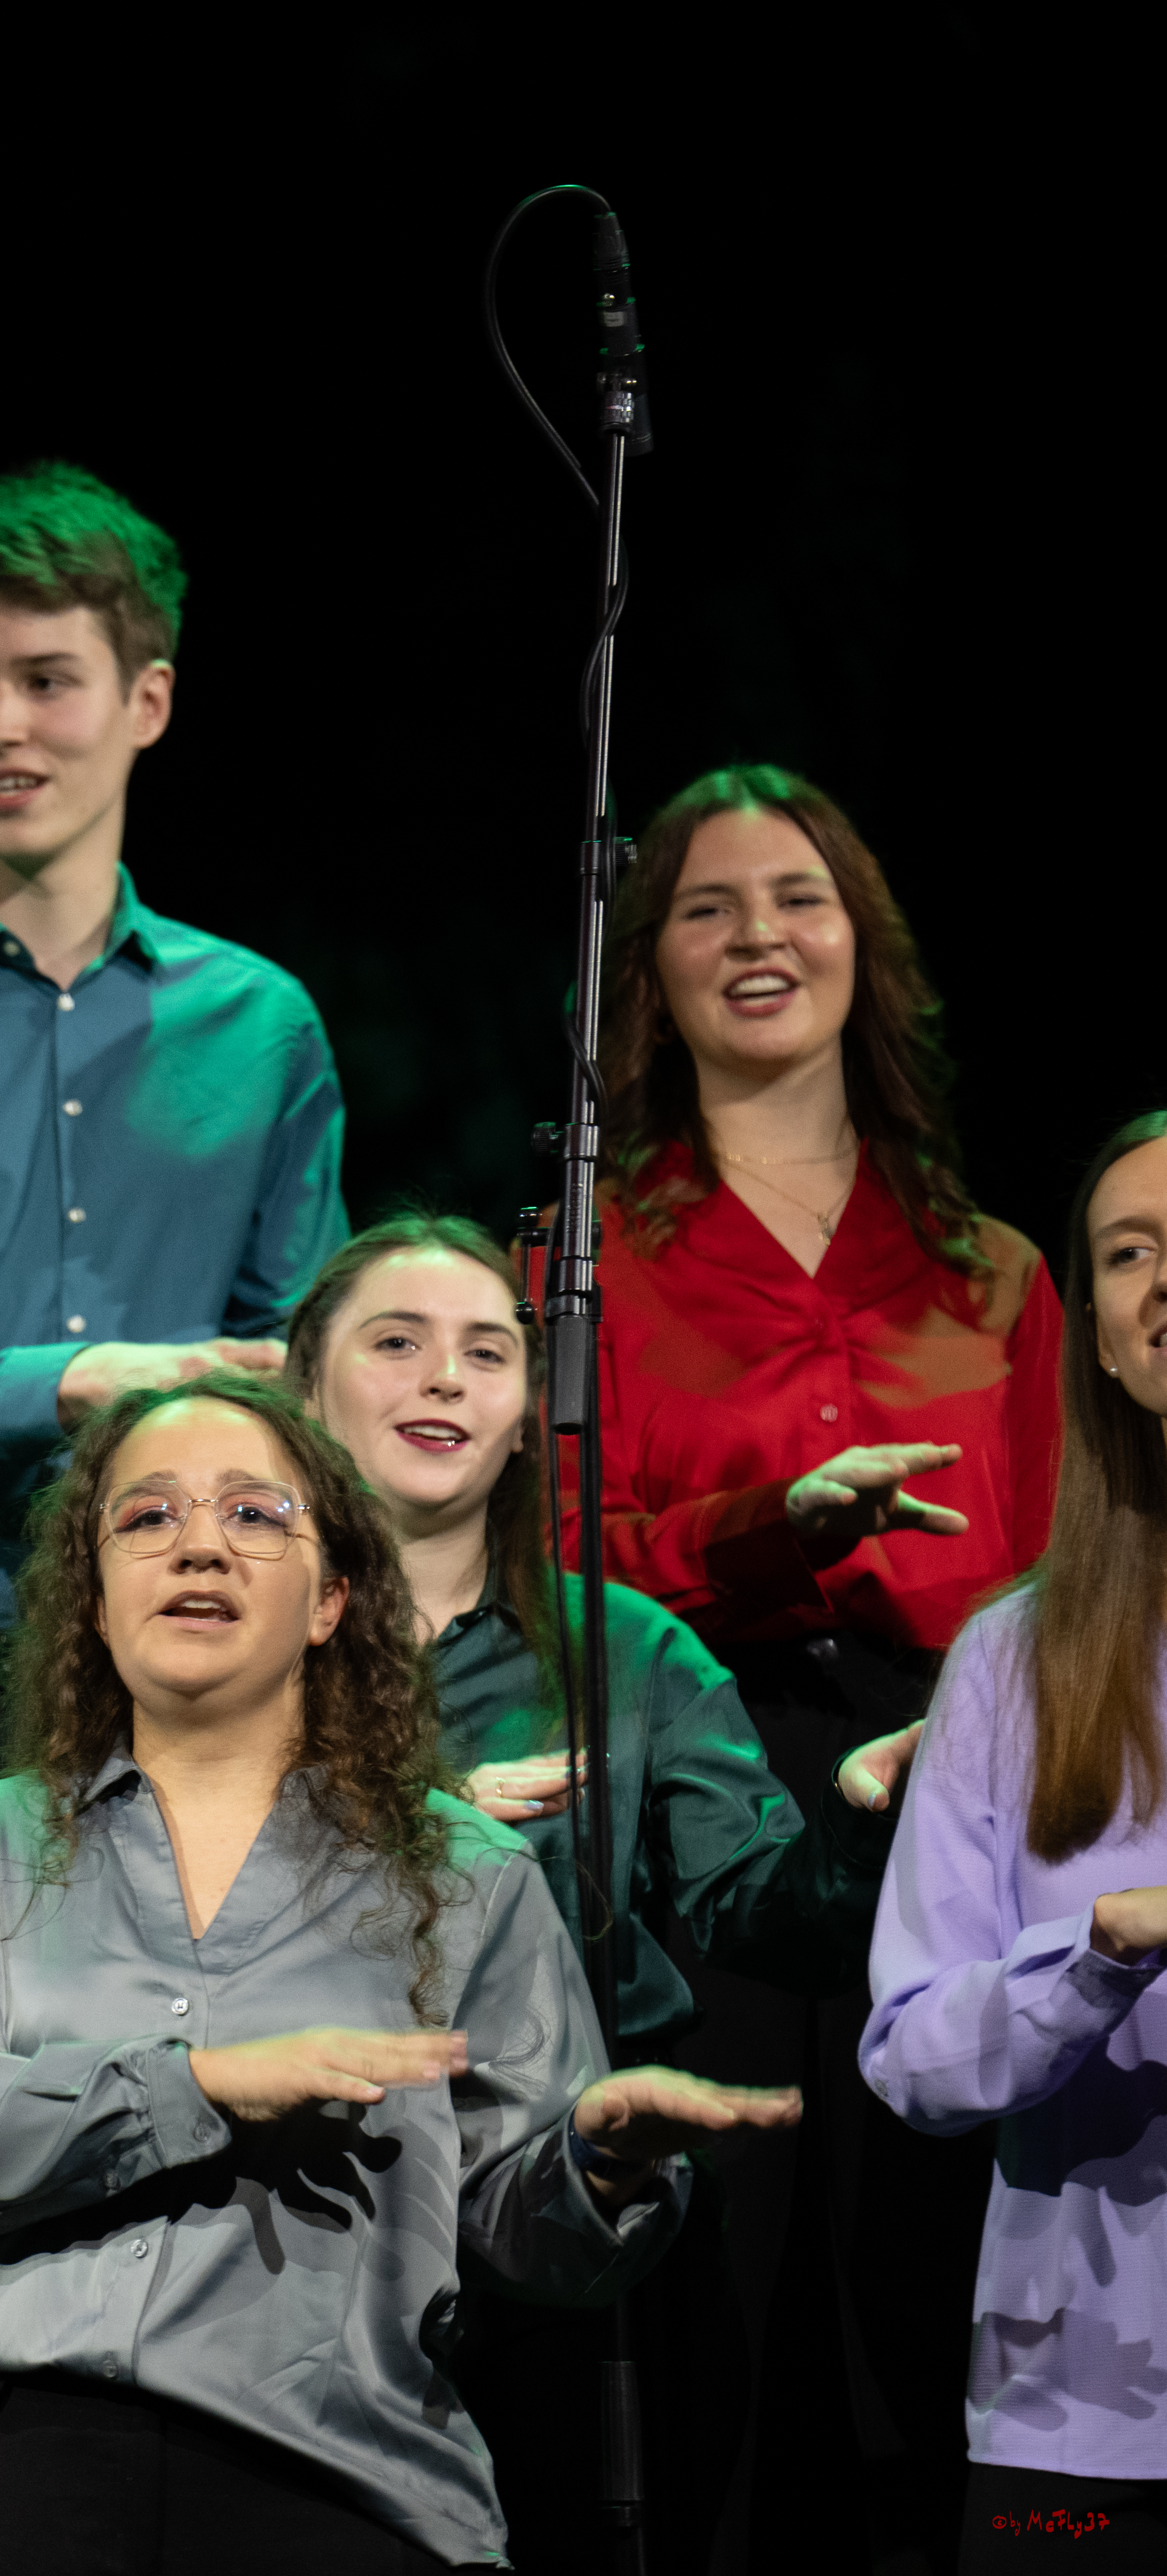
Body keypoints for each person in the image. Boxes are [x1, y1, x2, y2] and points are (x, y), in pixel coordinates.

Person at [0, 461, 345, 2481]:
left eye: (47, 681)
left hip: (189, 1712)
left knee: (200, 2196)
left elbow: (306, 1400)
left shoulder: (260, 1024)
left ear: (149, 701)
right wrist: (102, 1376)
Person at [0, 1371, 799, 2571]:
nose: (200, 1542)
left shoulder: (466, 1873)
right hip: (16, 2458)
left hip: (335, 2475)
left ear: (332, 1599)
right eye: (147, 1518)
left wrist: (603, 2159)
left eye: (255, 1515)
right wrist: (204, 2083)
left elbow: (530, 2241)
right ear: (94, 1602)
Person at [579, 762, 1065, 2554]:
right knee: (713, 2293)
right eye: (705, 906)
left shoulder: (994, 1275)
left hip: (941, 1801)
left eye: (796, 897)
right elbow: (549, 1567)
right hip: (690, 1798)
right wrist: (773, 1527)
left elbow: (1063, 1584)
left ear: (862, 946)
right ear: (649, 970)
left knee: (912, 2302)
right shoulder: (582, 1264)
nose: (756, 935)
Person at [292, 1209, 925, 2565]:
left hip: (566, 2246)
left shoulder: (627, 1650)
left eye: (487, 1353)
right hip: (293, 2235)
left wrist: (871, 1816)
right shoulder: (230, 1637)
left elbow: (768, 1917)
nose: (446, 1380)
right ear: (304, 1390)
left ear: (533, 1413)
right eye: (395, 1345)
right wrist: (422, 1828)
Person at [865, 1111, 1167, 2572]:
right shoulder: (1015, 1659)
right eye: (1130, 1253)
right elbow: (912, 2053)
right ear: (1102, 1340)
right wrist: (1098, 1952)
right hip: (1084, 2429)